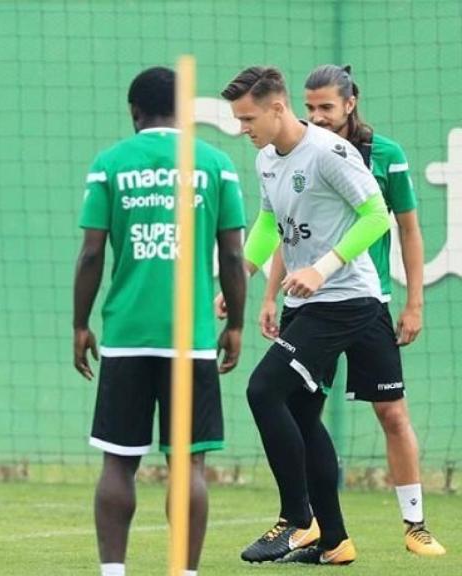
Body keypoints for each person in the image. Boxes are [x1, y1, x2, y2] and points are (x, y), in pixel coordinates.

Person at [257, 65, 446, 557]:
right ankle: (318, 528)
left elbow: (404, 228)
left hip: (365, 303)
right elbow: (285, 230)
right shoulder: (294, 153)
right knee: (299, 410)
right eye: (310, 107)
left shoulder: (384, 155)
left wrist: (415, 303)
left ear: (351, 103)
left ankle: (415, 525)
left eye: (326, 108)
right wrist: (267, 294)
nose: (316, 117)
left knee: (391, 411)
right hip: (311, 302)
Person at [73, 67, 247, 576]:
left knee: (117, 462)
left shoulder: (110, 164)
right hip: (190, 339)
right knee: (188, 463)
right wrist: (235, 324)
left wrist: (79, 325)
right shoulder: (216, 165)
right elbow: (233, 258)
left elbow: (90, 254)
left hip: (126, 337)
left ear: (134, 111)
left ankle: (113, 571)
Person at [219, 66, 392, 565]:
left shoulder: (329, 152)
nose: (242, 127)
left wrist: (323, 267)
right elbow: (271, 222)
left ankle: (298, 519)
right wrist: (242, 276)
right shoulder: (266, 161)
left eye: (248, 117)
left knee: (263, 389)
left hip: (345, 301)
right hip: (305, 304)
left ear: (278, 107)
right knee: (299, 412)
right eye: (237, 119)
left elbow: (377, 216)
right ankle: (334, 541)